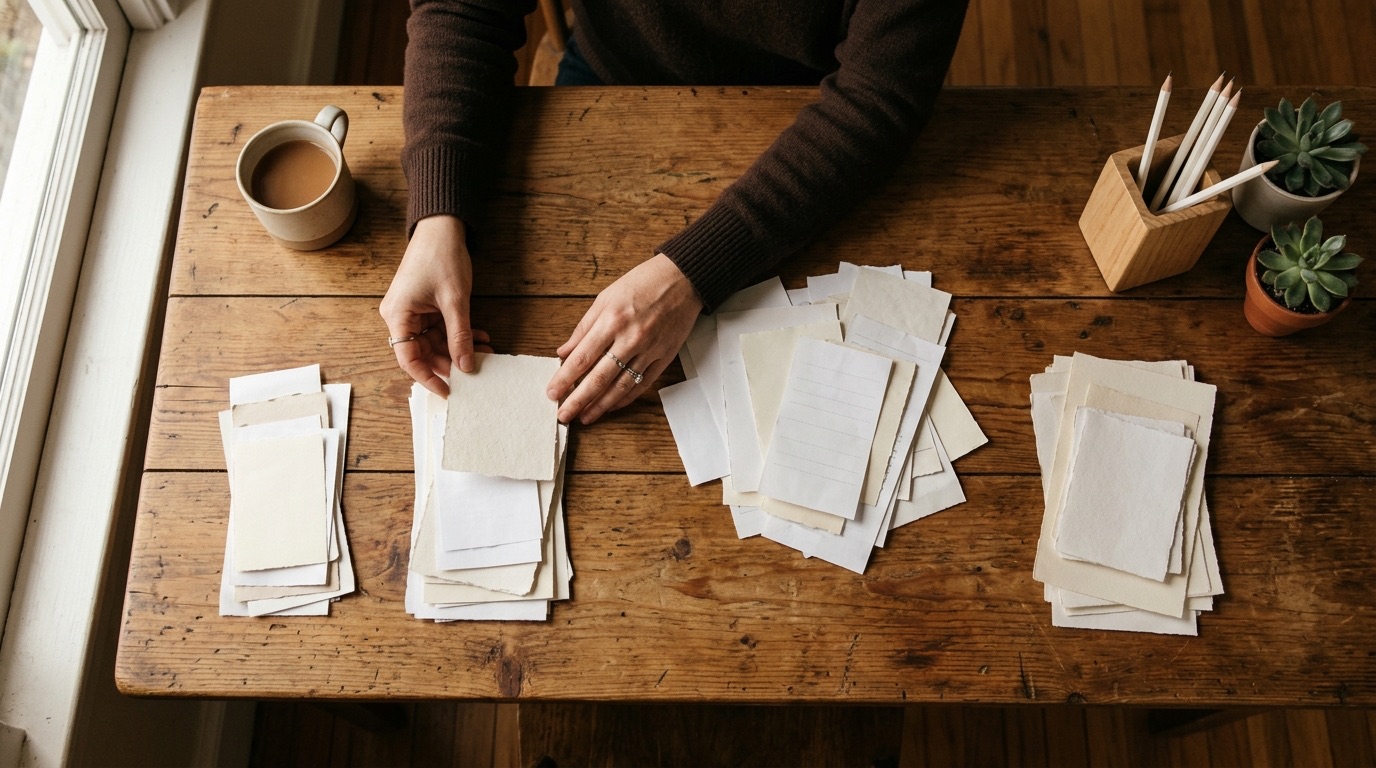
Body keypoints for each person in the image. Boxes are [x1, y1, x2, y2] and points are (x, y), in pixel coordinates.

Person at [381, 0, 969, 424]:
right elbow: (463, 9)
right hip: (610, 73)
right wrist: (438, 216)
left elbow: (878, 99)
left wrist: (691, 274)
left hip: (805, 103)